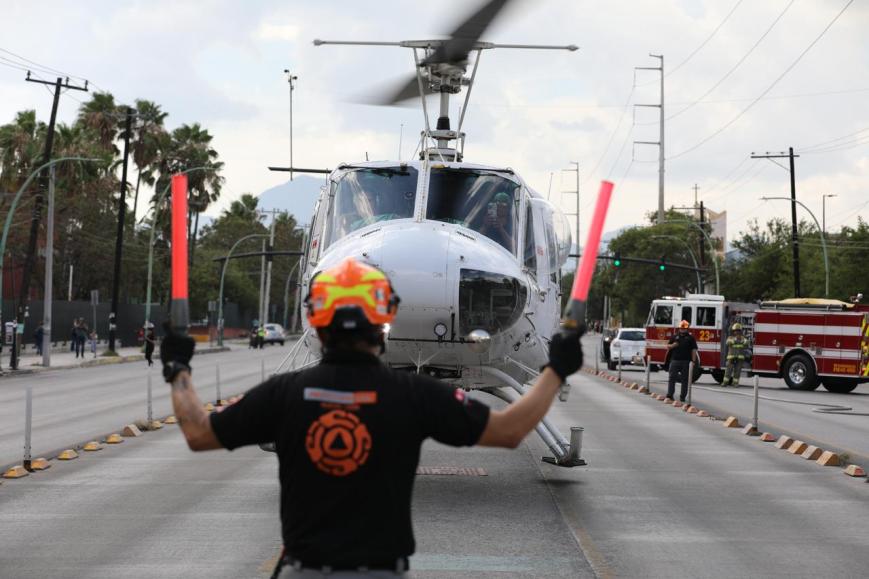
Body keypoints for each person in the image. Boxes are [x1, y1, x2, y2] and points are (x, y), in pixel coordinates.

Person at [160, 257, 583, 578]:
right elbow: (510, 430)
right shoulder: (414, 395)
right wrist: (555, 371)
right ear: (384, 318)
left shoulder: (283, 395)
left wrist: (179, 369)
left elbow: (198, 433)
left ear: (316, 321)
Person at [666, 319, 700, 403]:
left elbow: (694, 350)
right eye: (681, 328)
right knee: (672, 378)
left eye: (684, 328)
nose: (682, 329)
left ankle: (682, 397)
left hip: (686, 362)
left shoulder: (691, 338)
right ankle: (670, 395)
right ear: (679, 328)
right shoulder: (674, 337)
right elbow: (668, 346)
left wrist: (693, 361)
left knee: (685, 380)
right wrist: (673, 345)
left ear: (687, 329)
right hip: (675, 361)